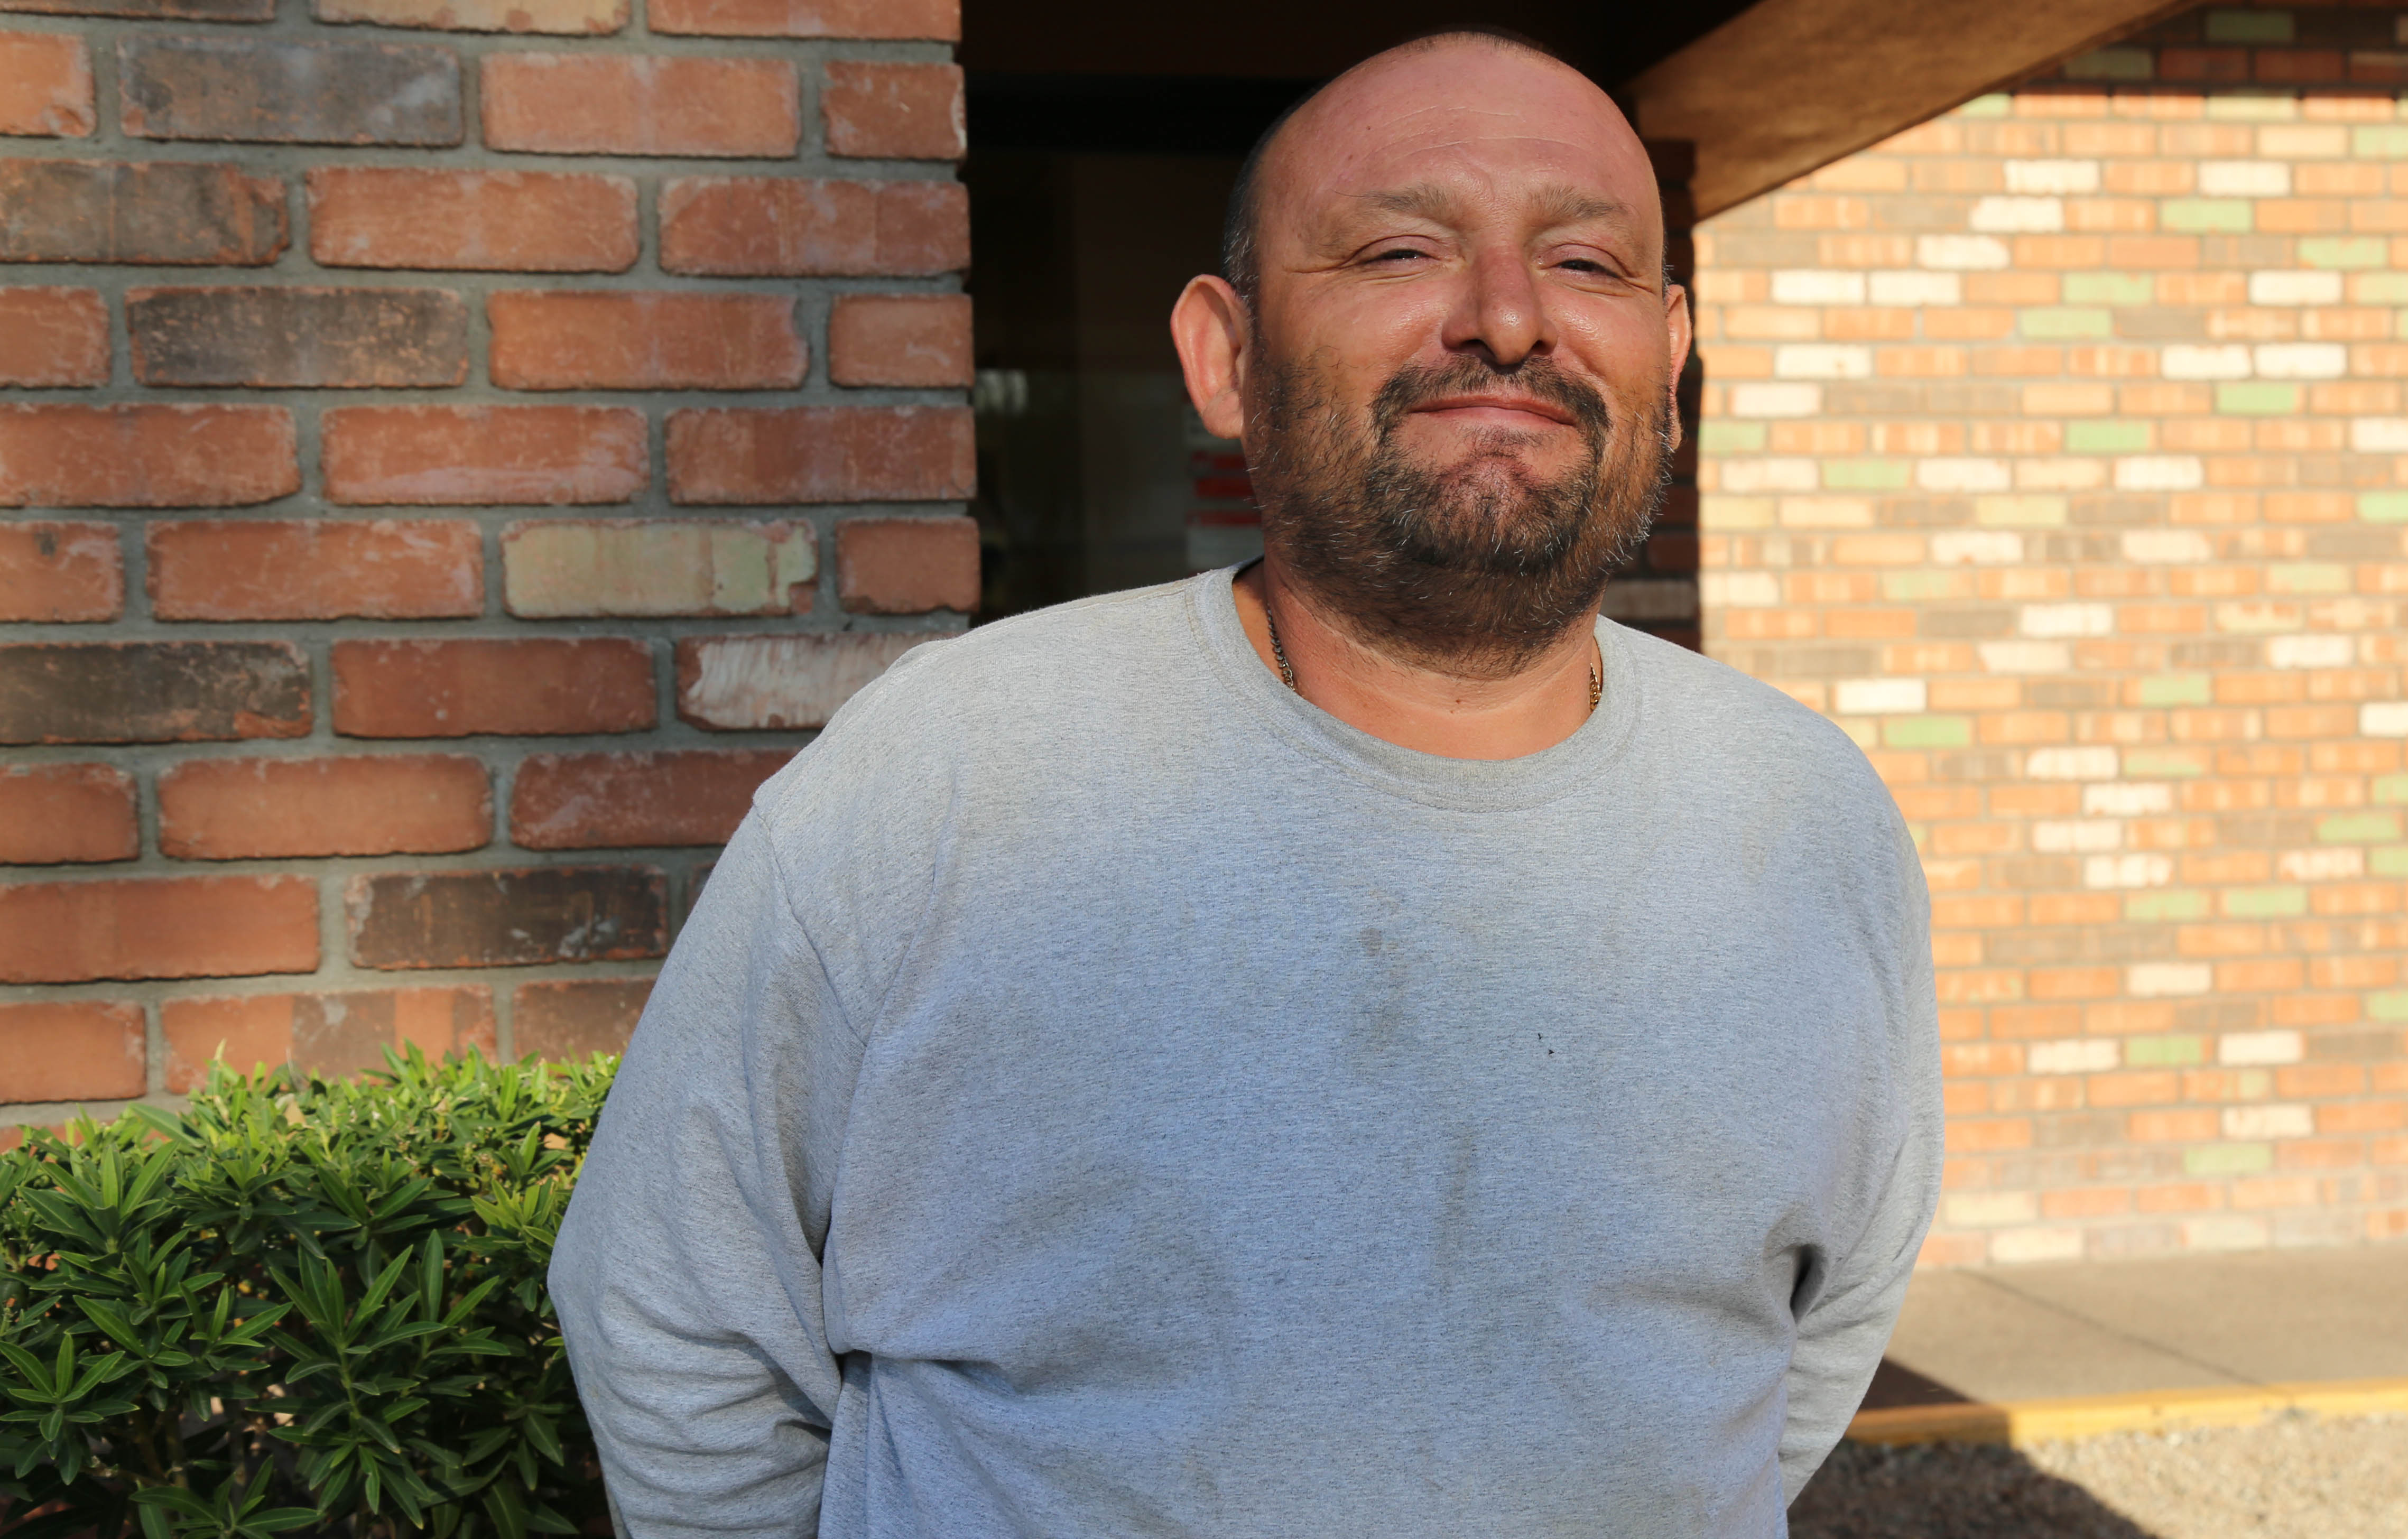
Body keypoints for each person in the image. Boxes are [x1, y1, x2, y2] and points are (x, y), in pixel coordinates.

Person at [548, 30, 1939, 1537]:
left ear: (1669, 359)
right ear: (1227, 356)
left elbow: (1804, 1351)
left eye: (1589, 264)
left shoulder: (1809, 816)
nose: (1510, 318)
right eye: (1402, 247)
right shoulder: (951, 776)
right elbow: (673, 1313)